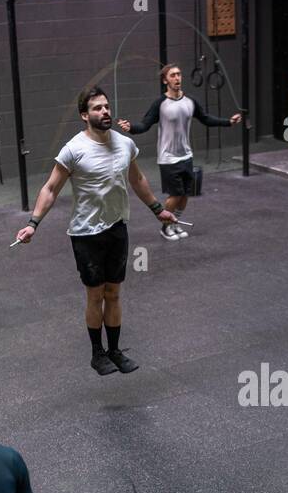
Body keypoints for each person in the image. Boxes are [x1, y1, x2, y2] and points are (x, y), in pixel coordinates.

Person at [14, 85, 177, 376]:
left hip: (117, 228)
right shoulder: (74, 149)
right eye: (97, 108)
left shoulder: (125, 144)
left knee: (114, 293)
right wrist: (32, 224)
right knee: (96, 295)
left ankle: (114, 350)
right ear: (84, 115)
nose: (105, 112)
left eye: (106, 107)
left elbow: (137, 179)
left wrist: (158, 209)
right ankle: (97, 353)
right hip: (86, 233)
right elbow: (50, 188)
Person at [116, 63, 242, 240]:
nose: (177, 78)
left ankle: (175, 223)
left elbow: (206, 119)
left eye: (179, 74)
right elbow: (144, 124)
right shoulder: (160, 104)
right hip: (168, 158)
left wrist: (228, 122)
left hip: (186, 155)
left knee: (185, 195)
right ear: (165, 80)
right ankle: (166, 227)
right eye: (172, 75)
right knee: (175, 195)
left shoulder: (190, 102)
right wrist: (131, 128)